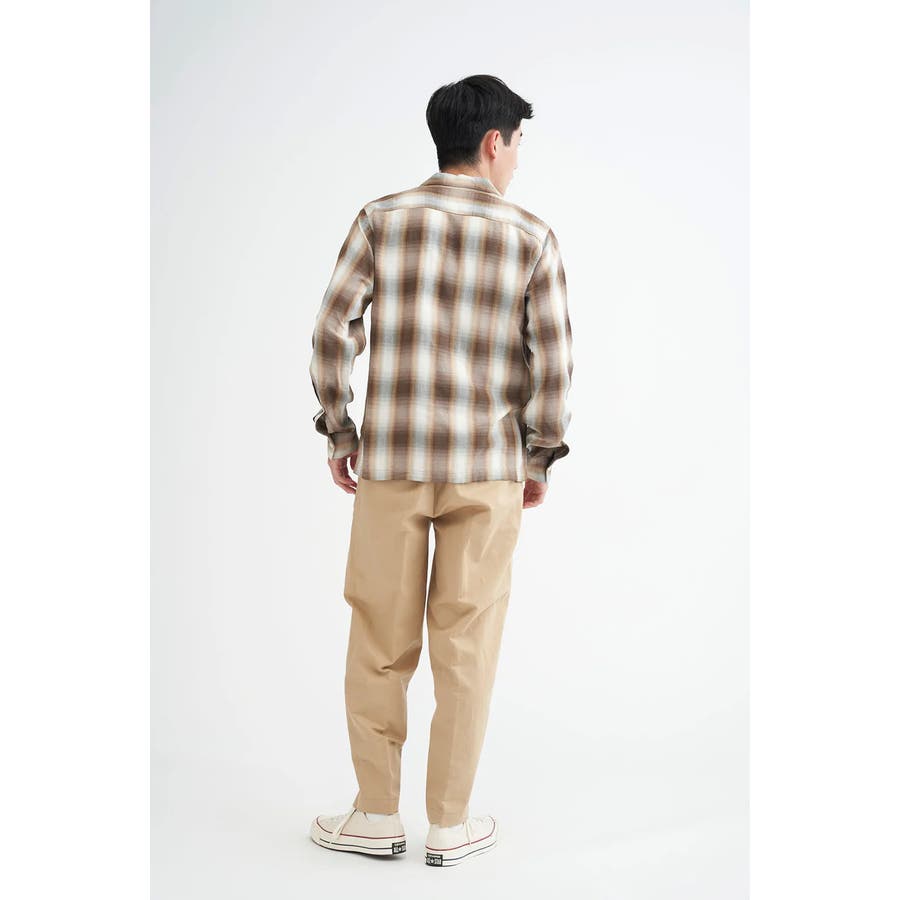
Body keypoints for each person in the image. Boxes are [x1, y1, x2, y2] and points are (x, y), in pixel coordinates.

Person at [307, 74, 574, 867]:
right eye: (518, 144)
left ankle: (374, 815)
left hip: (391, 463)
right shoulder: (531, 237)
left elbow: (332, 329)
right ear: (493, 142)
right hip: (486, 471)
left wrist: (341, 430)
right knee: (467, 644)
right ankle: (450, 825)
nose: (518, 159)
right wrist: (539, 454)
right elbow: (554, 360)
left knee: (378, 640)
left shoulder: (381, 219)